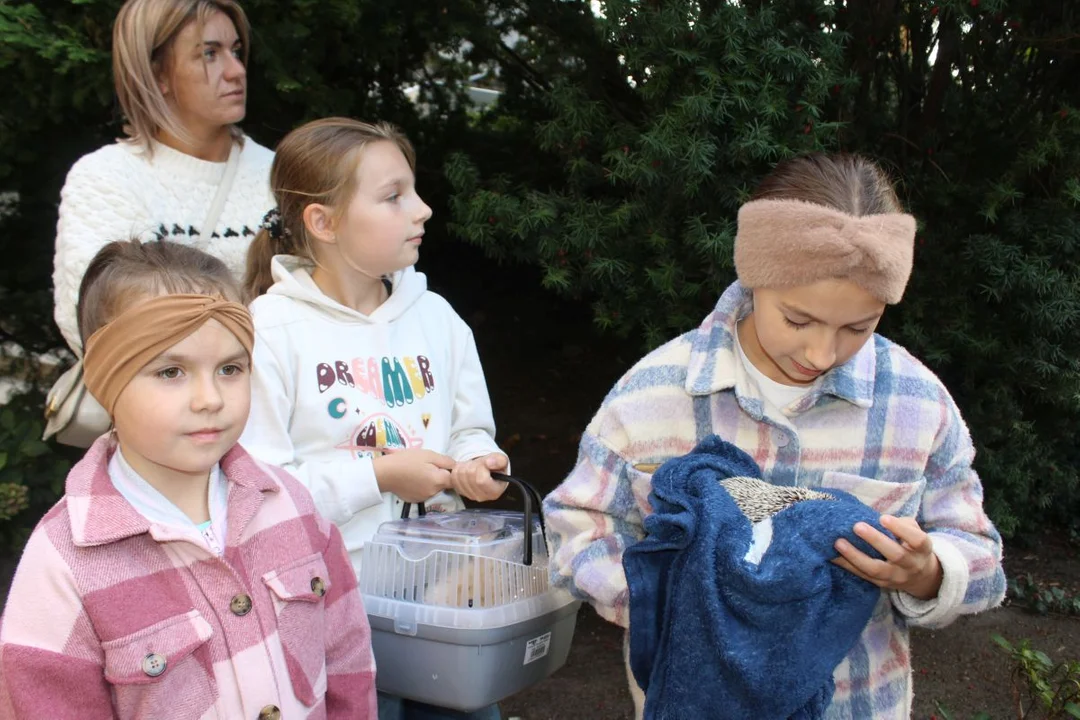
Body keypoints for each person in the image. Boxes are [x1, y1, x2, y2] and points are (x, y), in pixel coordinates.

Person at [543, 153, 1007, 719]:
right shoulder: (651, 397)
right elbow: (575, 531)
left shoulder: (919, 404)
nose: (821, 354)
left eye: (858, 328)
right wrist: (671, 601)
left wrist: (931, 571)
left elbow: (982, 556)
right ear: (755, 275)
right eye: (798, 319)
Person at [0, 240, 377, 719]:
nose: (209, 398)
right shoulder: (63, 563)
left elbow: (347, 661)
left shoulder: (293, 505)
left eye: (230, 369)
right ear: (105, 380)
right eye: (171, 371)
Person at [240, 117, 508, 720]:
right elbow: (260, 492)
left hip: (444, 598)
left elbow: (469, 427)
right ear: (323, 222)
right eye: (393, 197)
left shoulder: (437, 317)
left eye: (412, 190)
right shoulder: (269, 331)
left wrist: (475, 462)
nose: (423, 210)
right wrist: (381, 478)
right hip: (331, 610)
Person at [52, 0, 274, 355]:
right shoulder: (106, 177)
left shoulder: (277, 175)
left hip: (276, 401)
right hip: (156, 402)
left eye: (235, 51)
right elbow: (94, 322)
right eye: (209, 54)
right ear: (157, 74)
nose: (236, 70)